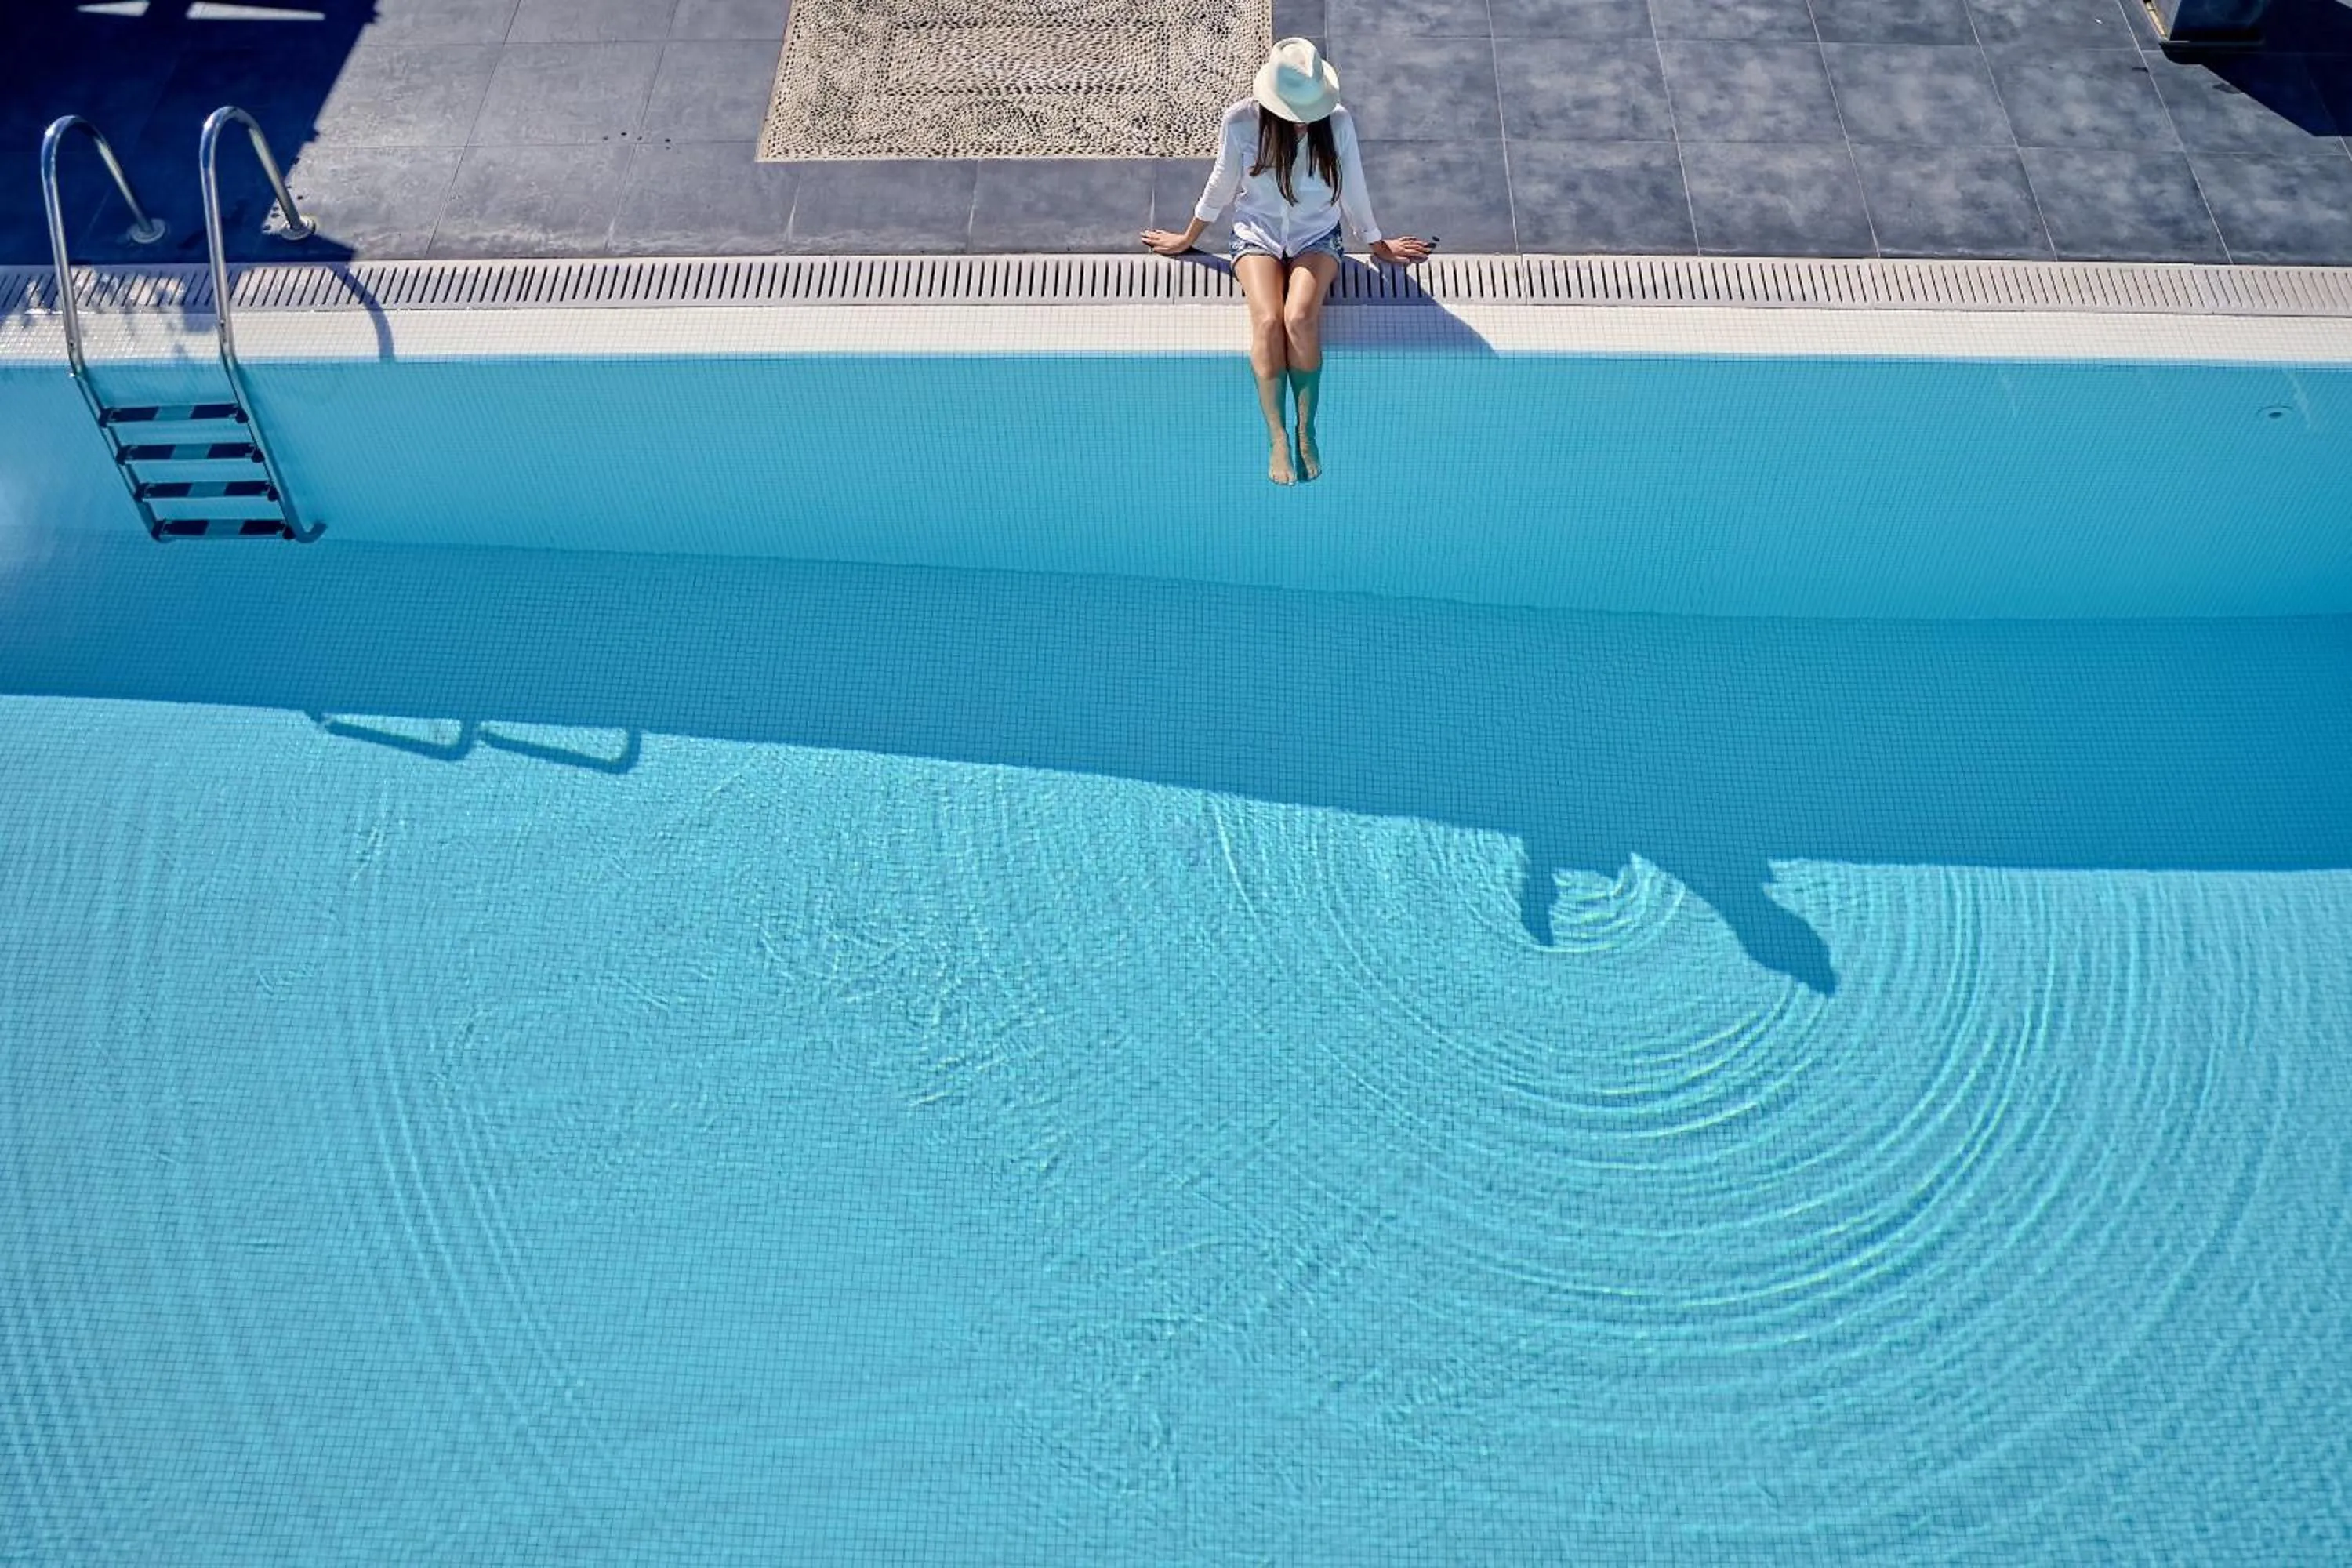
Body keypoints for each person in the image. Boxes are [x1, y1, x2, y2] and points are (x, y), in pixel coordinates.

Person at [1142, 39, 1433, 485]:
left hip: (1317, 235)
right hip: (1256, 234)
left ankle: (1305, 427)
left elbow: (1354, 187)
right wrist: (1187, 238)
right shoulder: (1241, 121)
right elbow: (1221, 184)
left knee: (1299, 318)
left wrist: (1376, 244)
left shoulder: (1337, 123)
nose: (1302, 123)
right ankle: (1276, 435)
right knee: (1267, 319)